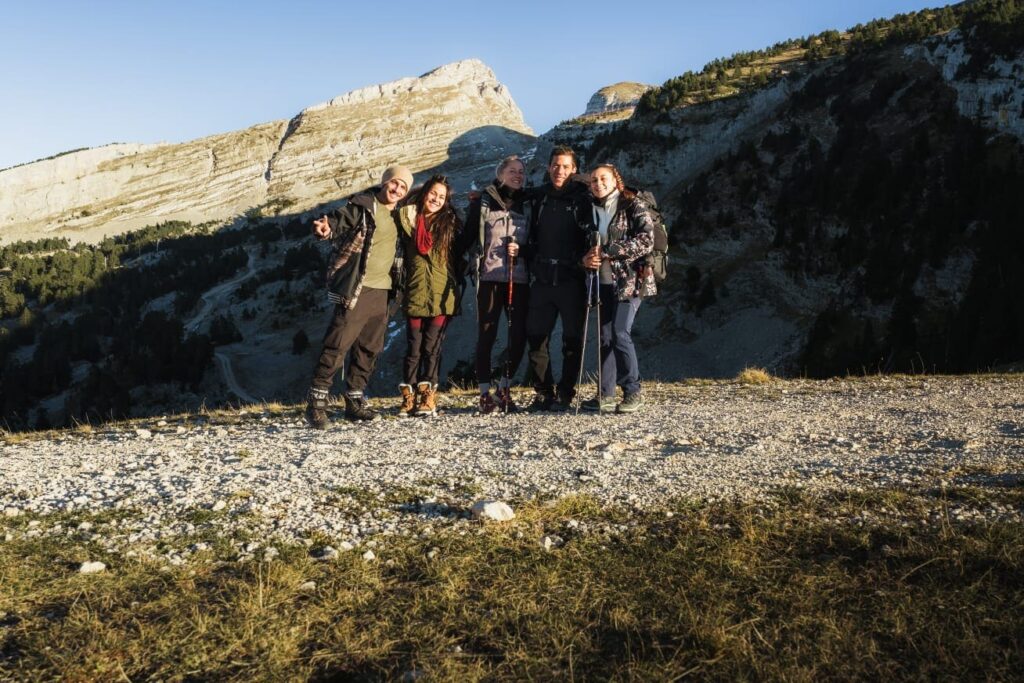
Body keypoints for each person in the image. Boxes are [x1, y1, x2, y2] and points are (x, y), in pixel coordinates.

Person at [304, 165, 414, 428]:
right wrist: (325, 227)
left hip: (384, 291)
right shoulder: (364, 206)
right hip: (358, 287)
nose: (397, 189)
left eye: (403, 187)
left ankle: (354, 401)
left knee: (369, 348)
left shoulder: (399, 214)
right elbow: (338, 220)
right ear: (385, 181)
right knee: (338, 343)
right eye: (395, 183)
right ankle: (316, 404)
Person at [581, 163, 657, 413]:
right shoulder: (590, 209)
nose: (598, 183)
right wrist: (586, 258)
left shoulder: (633, 204)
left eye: (603, 178)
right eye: (593, 180)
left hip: (631, 281)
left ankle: (633, 392)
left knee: (619, 332)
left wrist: (608, 251)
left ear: (615, 181)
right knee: (605, 337)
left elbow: (647, 240)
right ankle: (606, 394)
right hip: (601, 281)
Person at [522, 146, 594, 411]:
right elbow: (510, 196)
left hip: (571, 280)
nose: (559, 170)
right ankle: (544, 392)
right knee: (536, 337)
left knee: (572, 341)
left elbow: (592, 235)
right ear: (548, 167)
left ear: (574, 169)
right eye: (555, 165)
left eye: (565, 166)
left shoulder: (583, 199)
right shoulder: (539, 197)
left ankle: (566, 392)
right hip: (542, 279)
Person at [465, 155, 531, 414]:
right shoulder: (483, 201)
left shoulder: (528, 202)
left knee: (518, 335)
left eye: (521, 172)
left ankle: (504, 387)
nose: (518, 175)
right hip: (489, 278)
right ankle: (484, 394)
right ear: (500, 174)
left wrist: (522, 249)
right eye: (513, 171)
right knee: (487, 335)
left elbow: (535, 241)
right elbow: (468, 236)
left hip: (520, 278)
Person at [395, 175, 465, 417]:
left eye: (442, 197)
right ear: (424, 193)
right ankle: (409, 396)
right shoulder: (407, 220)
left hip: (442, 296)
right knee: (414, 347)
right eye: (433, 194)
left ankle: (428, 395)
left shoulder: (451, 224)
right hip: (415, 292)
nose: (436, 199)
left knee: (432, 347)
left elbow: (465, 250)